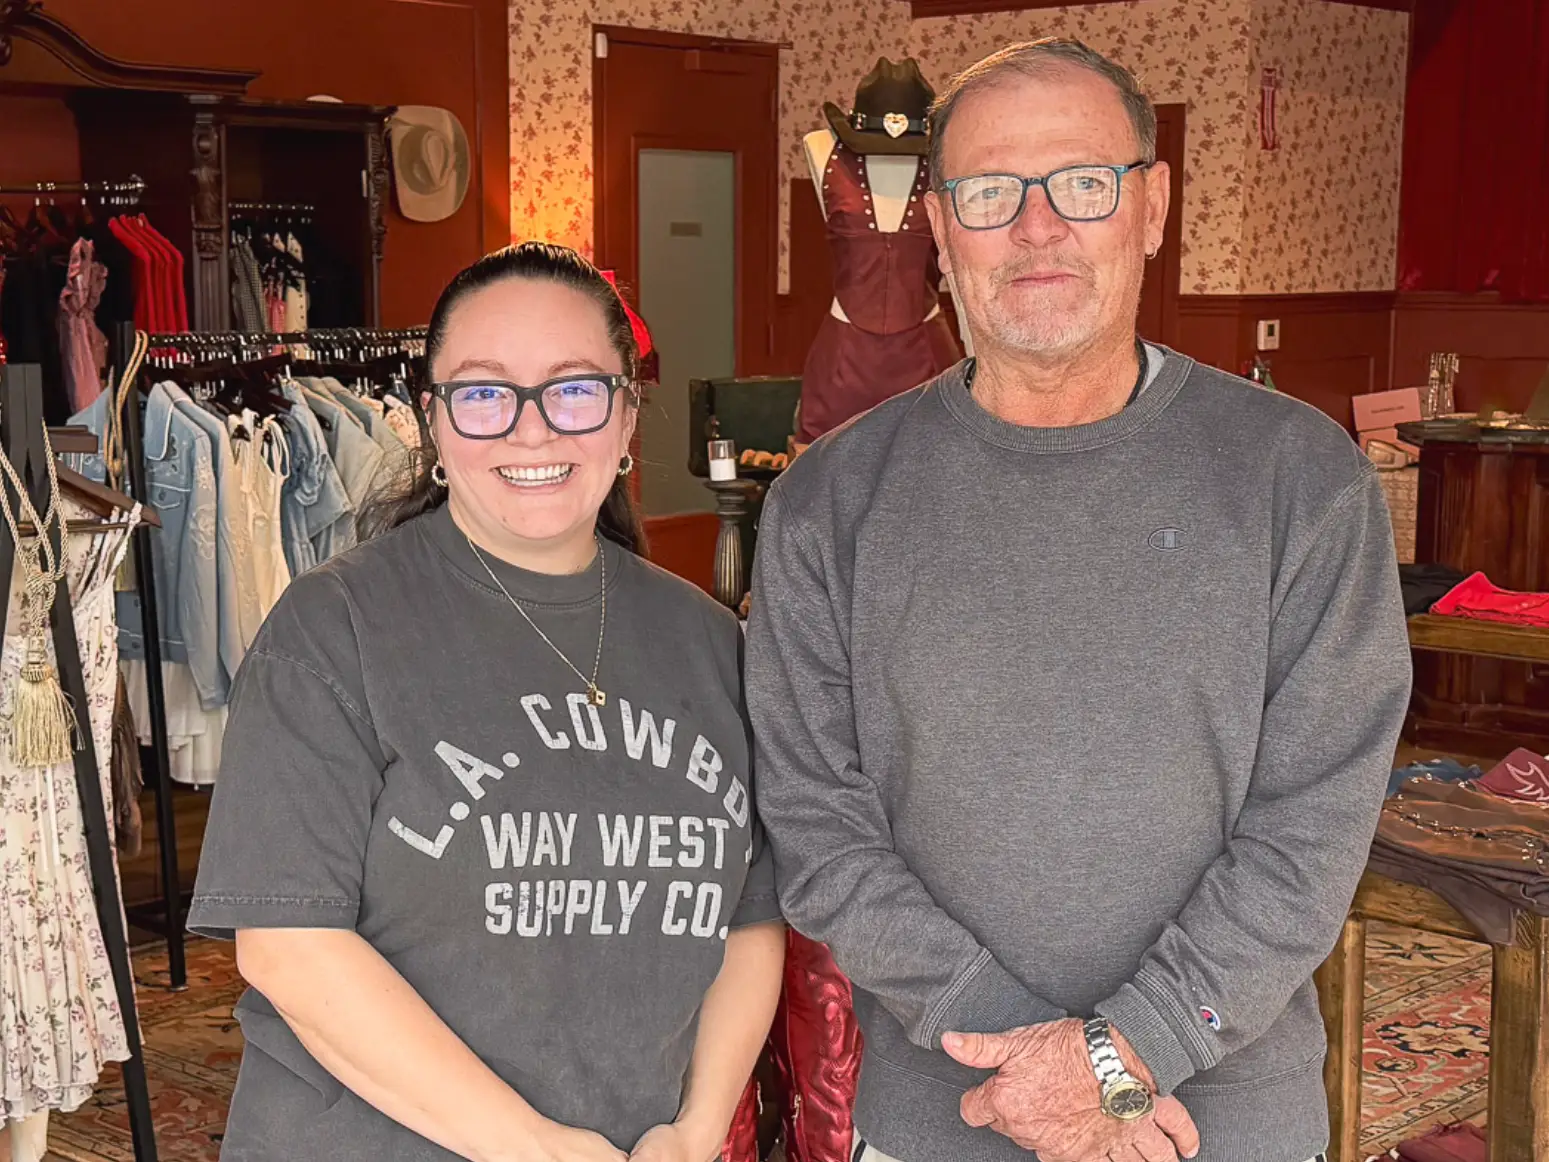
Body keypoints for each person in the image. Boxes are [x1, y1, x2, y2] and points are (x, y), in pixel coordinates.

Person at [747, 38, 1410, 1162]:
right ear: (943, 227)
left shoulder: (1301, 480)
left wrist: (1123, 1052)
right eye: (993, 192)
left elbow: (1312, 825)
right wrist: (1037, 1065)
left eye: (1083, 185)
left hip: (1212, 1126)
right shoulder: (828, 502)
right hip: (940, 1119)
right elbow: (818, 827)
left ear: (1149, 208)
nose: (1037, 227)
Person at [188, 242, 785, 1162]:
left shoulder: (712, 645)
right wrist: (531, 1146)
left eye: (575, 389)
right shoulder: (336, 628)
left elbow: (749, 919)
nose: (532, 430)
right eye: (484, 393)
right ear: (434, 421)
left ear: (628, 415)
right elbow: (288, 946)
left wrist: (697, 1129)